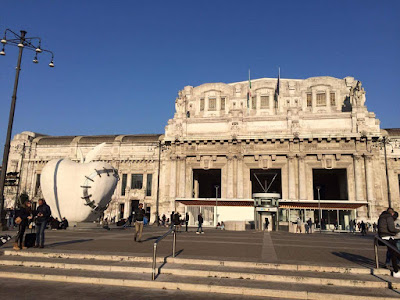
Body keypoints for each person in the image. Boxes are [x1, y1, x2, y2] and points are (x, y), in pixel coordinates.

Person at [378, 208, 400, 278]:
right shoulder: (389, 217)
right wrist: (398, 230)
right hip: (388, 236)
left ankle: (395, 268)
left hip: (383, 236)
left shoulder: (381, 217)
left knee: (394, 252)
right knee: (395, 252)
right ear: (392, 213)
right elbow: (391, 229)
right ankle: (396, 271)